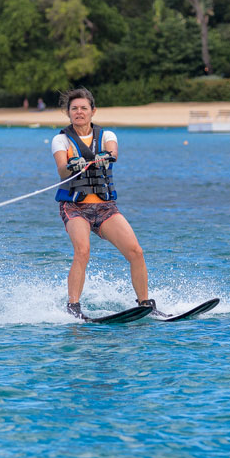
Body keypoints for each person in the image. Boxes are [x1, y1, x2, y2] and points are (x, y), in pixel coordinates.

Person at [51, 87, 154, 320]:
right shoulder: (60, 139)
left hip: (104, 207)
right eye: (74, 109)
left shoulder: (107, 136)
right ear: (68, 113)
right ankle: (74, 307)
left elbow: (113, 152)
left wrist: (106, 156)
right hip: (75, 207)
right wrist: (72, 164)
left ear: (93, 111)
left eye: (83, 108)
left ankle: (145, 303)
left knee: (136, 252)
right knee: (82, 250)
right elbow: (60, 168)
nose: (79, 112)